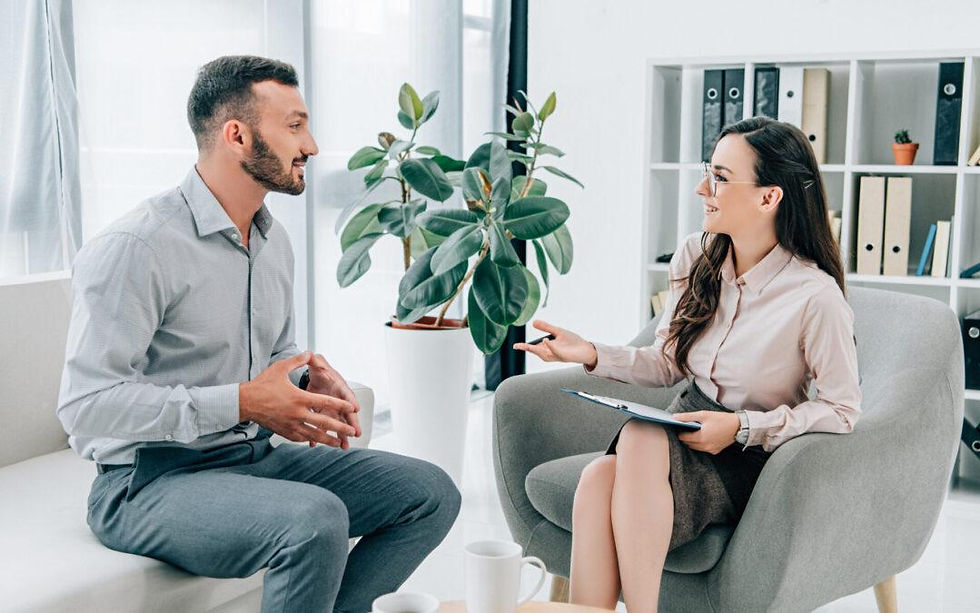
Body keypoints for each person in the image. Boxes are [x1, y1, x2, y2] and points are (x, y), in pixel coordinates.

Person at [57, 55, 460, 613]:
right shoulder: (138, 247)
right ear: (237, 136)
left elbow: (274, 354)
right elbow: (85, 406)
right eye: (294, 126)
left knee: (431, 493)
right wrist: (243, 401)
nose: (313, 146)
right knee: (314, 521)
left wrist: (306, 378)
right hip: (145, 483)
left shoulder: (272, 242)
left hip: (252, 457)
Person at [515, 116, 861, 612]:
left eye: (721, 177)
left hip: (749, 454)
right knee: (596, 480)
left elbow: (842, 410)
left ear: (769, 197)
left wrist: (741, 427)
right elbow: (667, 365)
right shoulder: (695, 255)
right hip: (683, 423)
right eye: (708, 172)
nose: (703, 188)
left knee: (634, 439)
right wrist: (588, 352)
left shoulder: (814, 297)